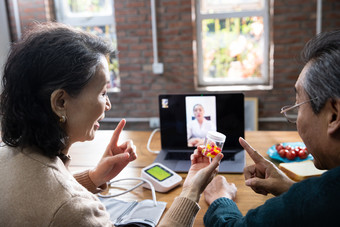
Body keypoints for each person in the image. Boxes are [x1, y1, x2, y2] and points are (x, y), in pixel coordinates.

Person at [0, 22, 223, 226]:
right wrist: (191, 190)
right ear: (60, 102)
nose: (108, 104)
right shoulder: (75, 210)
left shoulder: (5, 156)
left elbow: (43, 196)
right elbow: (64, 205)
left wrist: (95, 177)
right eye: (103, 92)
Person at [203, 30, 340, 226]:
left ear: (333, 115)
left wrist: (220, 197)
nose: (296, 119)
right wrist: (289, 188)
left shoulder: (321, 200)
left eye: (298, 105)